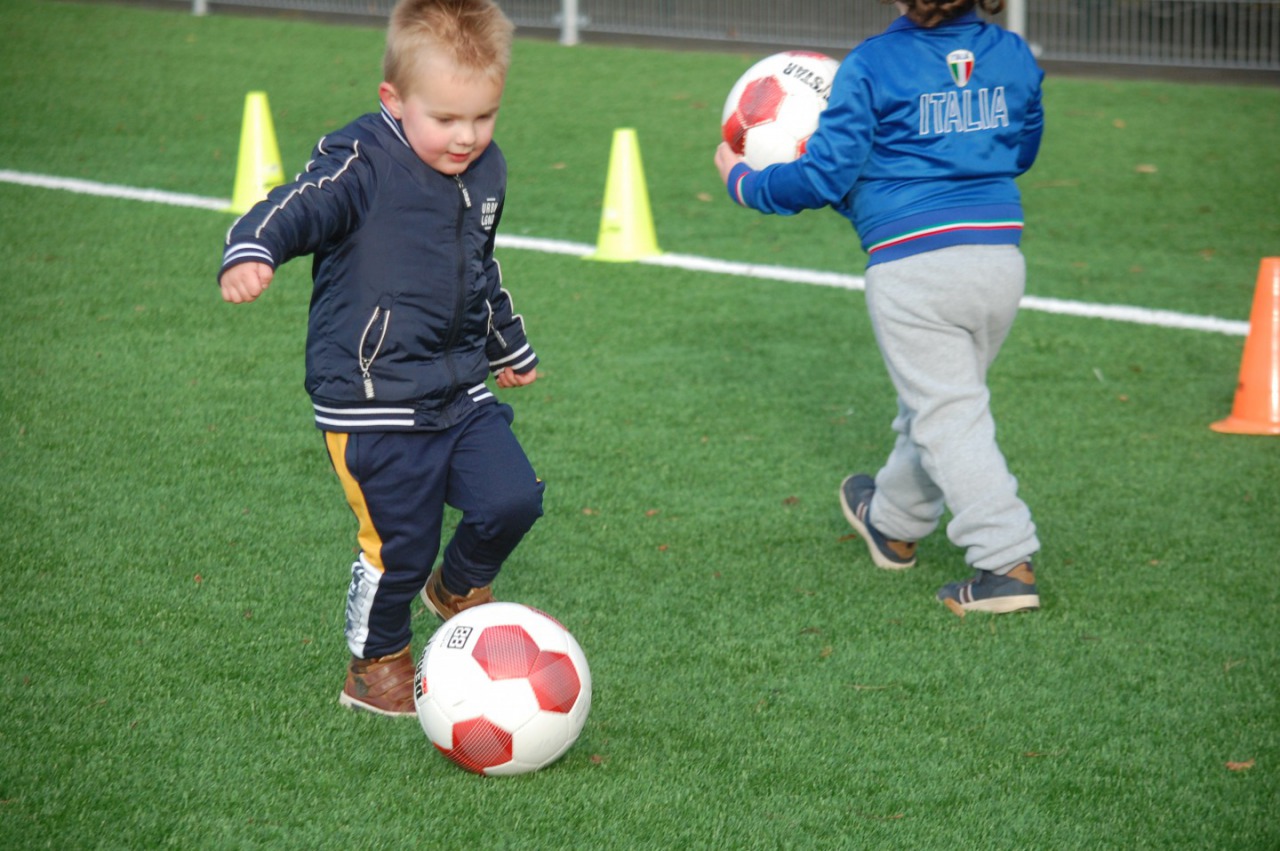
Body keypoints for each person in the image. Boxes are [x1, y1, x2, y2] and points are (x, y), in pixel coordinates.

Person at [218, 0, 544, 716]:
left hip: (459, 386)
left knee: (514, 497)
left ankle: (456, 587)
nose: (467, 138)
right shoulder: (363, 160)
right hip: (371, 399)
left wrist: (505, 340)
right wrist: (253, 248)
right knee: (400, 544)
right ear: (394, 101)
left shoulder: (487, 173)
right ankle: (376, 662)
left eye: (483, 117)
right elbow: (297, 203)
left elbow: (478, 266)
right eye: (447, 119)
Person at [715, 0, 1044, 615]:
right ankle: (892, 521)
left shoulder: (870, 66)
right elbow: (1021, 151)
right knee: (937, 402)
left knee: (948, 414)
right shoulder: (1015, 55)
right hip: (1001, 259)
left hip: (915, 267)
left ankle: (1006, 561)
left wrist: (743, 180)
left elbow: (819, 179)